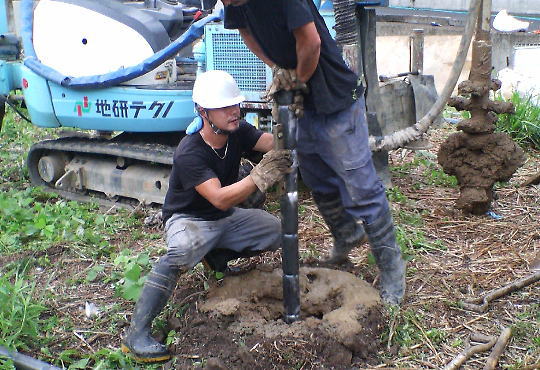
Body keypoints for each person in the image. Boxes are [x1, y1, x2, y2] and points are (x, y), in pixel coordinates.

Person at [220, 0, 406, 305]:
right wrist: (278, 68)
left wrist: (298, 80)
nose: (228, 3)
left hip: (334, 96)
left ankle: (392, 270)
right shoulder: (234, 2)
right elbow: (245, 31)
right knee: (316, 175)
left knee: (360, 186)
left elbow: (311, 40)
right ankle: (346, 235)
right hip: (302, 101)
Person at [121, 70, 292, 363]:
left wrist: (291, 128)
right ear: (203, 111)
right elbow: (219, 197)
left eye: (235, 105)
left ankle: (216, 256)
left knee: (275, 230)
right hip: (190, 219)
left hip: (223, 218)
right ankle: (137, 334)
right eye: (224, 107)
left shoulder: (236, 131)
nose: (233, 112)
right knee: (182, 252)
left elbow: (271, 143)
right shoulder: (190, 152)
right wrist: (261, 175)